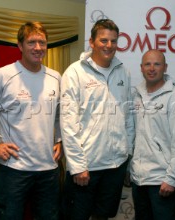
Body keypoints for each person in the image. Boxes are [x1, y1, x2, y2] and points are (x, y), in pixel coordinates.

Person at [0, 21, 62, 220]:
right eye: (31, 42)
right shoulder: (3, 75)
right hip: (15, 170)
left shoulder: (55, 77)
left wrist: (59, 139)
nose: (38, 48)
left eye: (42, 43)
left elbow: (60, 114)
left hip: (49, 170)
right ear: (20, 46)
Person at [60, 18, 134, 220]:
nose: (109, 46)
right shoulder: (75, 73)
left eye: (113, 41)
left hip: (116, 166)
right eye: (103, 40)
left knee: (104, 216)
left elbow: (128, 118)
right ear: (91, 42)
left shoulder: (123, 72)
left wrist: (127, 155)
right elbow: (68, 123)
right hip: (87, 167)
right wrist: (77, 166)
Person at [130, 49, 175, 220]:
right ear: (141, 68)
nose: (152, 68)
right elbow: (134, 136)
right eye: (147, 64)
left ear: (165, 67)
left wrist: (172, 179)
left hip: (163, 181)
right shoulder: (136, 96)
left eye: (157, 64)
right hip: (139, 180)